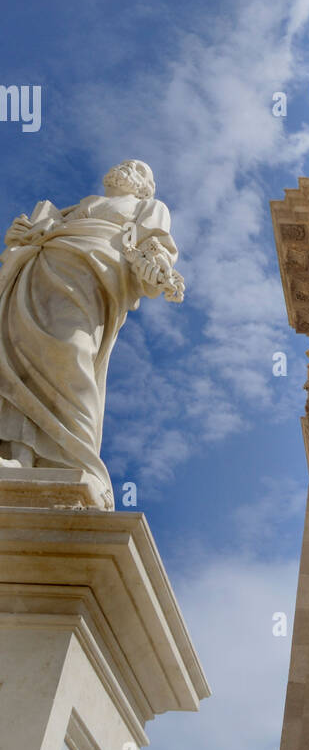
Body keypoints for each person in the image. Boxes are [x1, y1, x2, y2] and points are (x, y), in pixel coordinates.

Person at [0, 160, 184, 507]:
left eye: (137, 168)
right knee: (19, 356)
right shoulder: (77, 207)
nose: (126, 168)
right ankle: (20, 455)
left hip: (93, 273)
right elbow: (32, 235)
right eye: (125, 164)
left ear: (145, 186)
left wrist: (158, 269)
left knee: (72, 352)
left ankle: (76, 459)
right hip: (44, 267)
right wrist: (23, 235)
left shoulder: (149, 208)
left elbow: (157, 248)